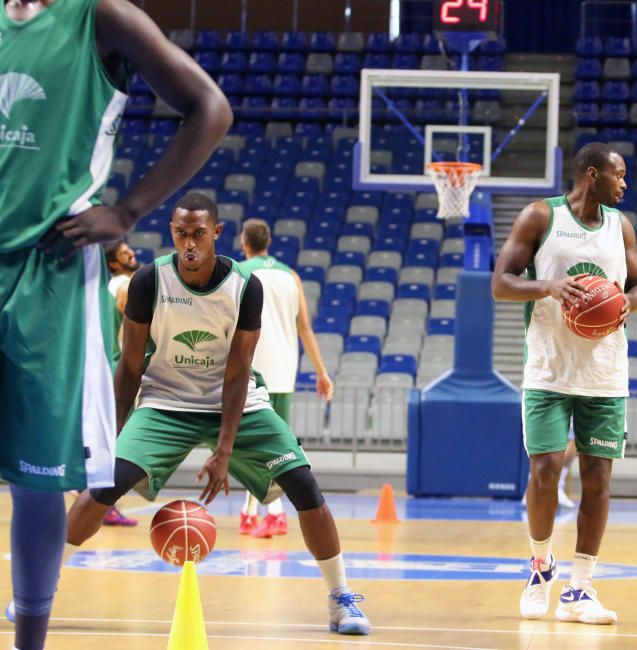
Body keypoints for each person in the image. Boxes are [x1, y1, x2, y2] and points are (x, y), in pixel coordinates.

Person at [0, 1, 232, 647]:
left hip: (47, 274)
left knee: (36, 479)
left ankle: (29, 642)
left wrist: (128, 210)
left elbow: (210, 108)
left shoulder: (100, 17)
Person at [61, 194, 371, 635]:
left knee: (304, 485)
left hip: (237, 400)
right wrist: (107, 439)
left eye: (199, 235)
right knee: (103, 487)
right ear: (172, 232)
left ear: (217, 234)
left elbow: (238, 372)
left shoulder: (245, 287)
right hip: (166, 400)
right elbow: (129, 367)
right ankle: (41, 588)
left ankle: (341, 598)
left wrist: (224, 448)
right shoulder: (149, 281)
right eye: (181, 234)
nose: (189, 244)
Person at [492, 142, 637, 625]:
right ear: (592, 174)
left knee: (598, 481)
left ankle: (581, 588)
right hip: (548, 368)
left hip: (604, 372)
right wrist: (548, 287)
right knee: (545, 471)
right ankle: (541, 568)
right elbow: (500, 282)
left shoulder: (621, 226)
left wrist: (627, 303)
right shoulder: (540, 217)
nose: (625, 183)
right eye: (619, 175)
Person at [237, 218, 335, 538]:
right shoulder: (291, 275)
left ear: (244, 242)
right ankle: (249, 512)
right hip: (283, 372)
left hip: (251, 370)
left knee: (258, 448)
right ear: (268, 242)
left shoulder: (239, 273)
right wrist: (321, 372)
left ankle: (276, 513)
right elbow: (304, 327)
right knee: (265, 445)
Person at [99, 240, 143, 527]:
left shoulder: (107, 287)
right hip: (119, 368)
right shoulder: (125, 286)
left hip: (107, 367)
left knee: (111, 440)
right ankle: (103, 503)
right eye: (126, 253)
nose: (133, 254)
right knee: (115, 443)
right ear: (114, 263)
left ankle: (100, 499)